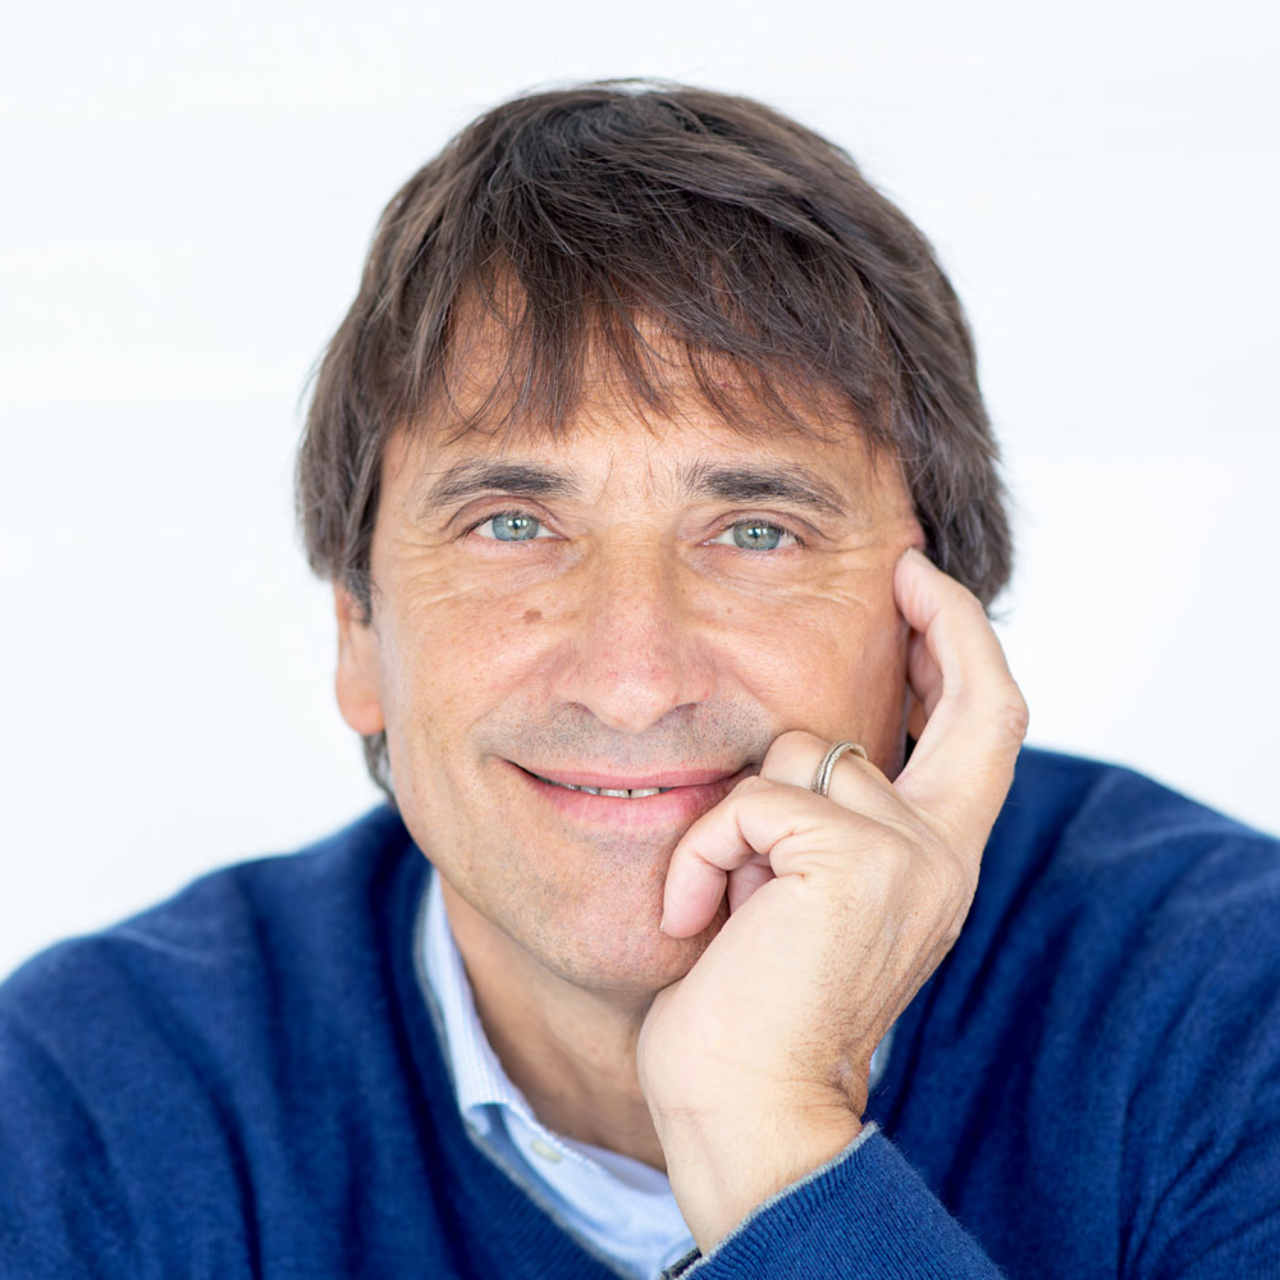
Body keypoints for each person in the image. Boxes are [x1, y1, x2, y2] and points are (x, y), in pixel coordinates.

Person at [2, 80, 1277, 1280]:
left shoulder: (1232, 1013)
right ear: (358, 636)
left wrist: (770, 1139)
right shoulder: (79, 1108)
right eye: (510, 523)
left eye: (756, 531)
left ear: (927, 643)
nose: (630, 681)